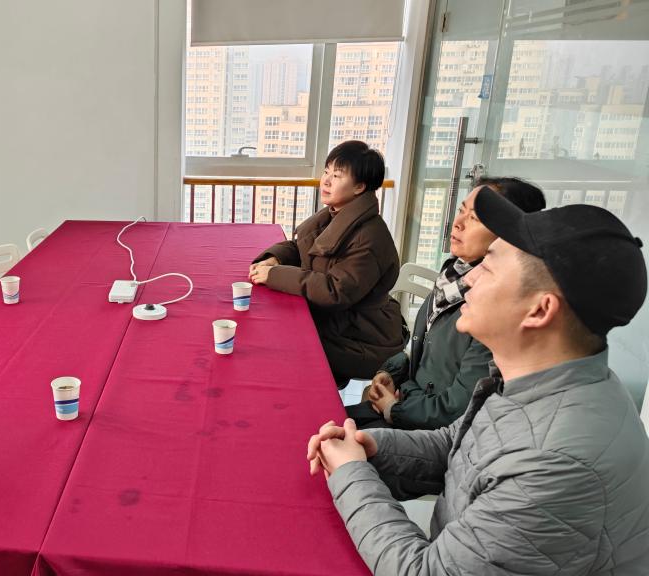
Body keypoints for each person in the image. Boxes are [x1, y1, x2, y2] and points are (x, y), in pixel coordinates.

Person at [306, 187, 649, 575]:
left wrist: (352, 474)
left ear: (539, 311)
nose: (469, 280)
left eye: (489, 267)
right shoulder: (539, 379)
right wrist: (372, 448)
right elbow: (458, 444)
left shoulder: (557, 462)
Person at [347, 177, 546, 429]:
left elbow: (457, 411)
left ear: (509, 235)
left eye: (474, 218)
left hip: (425, 431)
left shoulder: (496, 310)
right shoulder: (452, 278)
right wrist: (390, 373)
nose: (458, 223)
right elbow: (421, 352)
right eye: (461, 211)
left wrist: (394, 409)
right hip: (408, 406)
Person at [249, 140, 404, 387]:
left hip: (361, 335)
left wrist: (275, 275)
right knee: (268, 328)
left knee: (274, 343)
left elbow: (335, 290)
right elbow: (304, 249)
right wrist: (275, 258)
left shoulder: (370, 237)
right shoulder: (337, 214)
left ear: (360, 186)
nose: (326, 181)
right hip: (338, 321)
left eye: (337, 176)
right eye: (326, 172)